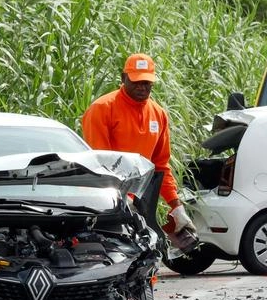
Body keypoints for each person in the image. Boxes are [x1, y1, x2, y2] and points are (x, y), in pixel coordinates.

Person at [81, 53, 198, 255]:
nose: (142, 87)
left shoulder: (158, 114)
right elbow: (99, 163)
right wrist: (121, 196)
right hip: (106, 200)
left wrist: (176, 207)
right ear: (123, 77)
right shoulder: (102, 109)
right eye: (136, 81)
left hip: (142, 199)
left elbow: (161, 165)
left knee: (144, 257)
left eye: (147, 82)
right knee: (113, 256)